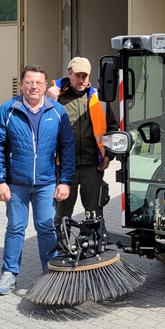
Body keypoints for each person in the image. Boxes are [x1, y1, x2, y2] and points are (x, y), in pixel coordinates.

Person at [0, 64, 75, 295]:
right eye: (29, 82)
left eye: (38, 83)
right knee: (15, 227)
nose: (33, 86)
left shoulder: (57, 111)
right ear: (22, 85)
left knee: (46, 227)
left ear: (46, 86)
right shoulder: (8, 110)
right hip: (15, 182)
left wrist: (65, 181)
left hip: (46, 182)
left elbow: (67, 147)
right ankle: (9, 274)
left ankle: (51, 272)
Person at [46, 57, 118, 237]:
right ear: (68, 73)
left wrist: (109, 154)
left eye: (85, 75)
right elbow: (40, 125)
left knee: (93, 212)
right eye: (77, 75)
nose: (81, 80)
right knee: (62, 212)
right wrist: (47, 101)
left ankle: (92, 249)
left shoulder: (99, 100)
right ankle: (62, 249)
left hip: (93, 166)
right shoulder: (55, 98)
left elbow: (112, 128)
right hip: (63, 166)